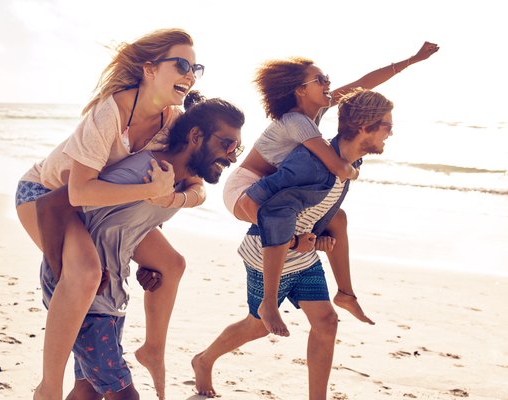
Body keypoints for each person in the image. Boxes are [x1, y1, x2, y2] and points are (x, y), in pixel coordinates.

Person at [14, 28, 208, 399]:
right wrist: (149, 191)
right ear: (150, 69)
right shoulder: (111, 112)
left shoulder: (173, 123)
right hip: (46, 196)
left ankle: (152, 350)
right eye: (181, 64)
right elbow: (79, 190)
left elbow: (197, 187)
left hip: (101, 210)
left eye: (195, 68)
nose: (189, 75)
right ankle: (49, 388)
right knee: (86, 276)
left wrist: (172, 201)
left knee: (171, 264)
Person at [37, 94, 244, 399]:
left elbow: (127, 225)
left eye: (237, 148)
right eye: (226, 144)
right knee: (124, 395)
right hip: (85, 296)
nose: (232, 156)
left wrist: (148, 266)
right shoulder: (143, 172)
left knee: (87, 392)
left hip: (113, 296)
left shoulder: (176, 183)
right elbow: (51, 206)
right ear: (196, 136)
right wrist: (64, 276)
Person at [193, 89, 395, 399]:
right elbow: (256, 205)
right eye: (386, 125)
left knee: (327, 322)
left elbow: (319, 210)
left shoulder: (351, 163)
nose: (391, 133)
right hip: (267, 252)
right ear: (365, 126)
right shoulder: (309, 163)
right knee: (258, 326)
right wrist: (294, 240)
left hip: (302, 255)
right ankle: (204, 360)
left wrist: (318, 234)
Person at [223, 41, 439, 325]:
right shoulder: (296, 121)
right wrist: (352, 172)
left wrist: (411, 60)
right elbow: (337, 166)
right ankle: (269, 303)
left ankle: (346, 294)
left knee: (337, 219)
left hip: (271, 184)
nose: (328, 83)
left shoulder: (316, 113)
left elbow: (362, 84)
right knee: (282, 229)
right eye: (320, 79)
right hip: (245, 190)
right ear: (301, 90)